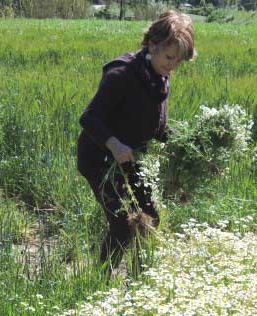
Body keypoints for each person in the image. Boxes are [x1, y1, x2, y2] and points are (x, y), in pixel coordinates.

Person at [77, 10, 196, 276]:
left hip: (133, 156)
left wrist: (186, 143)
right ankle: (99, 281)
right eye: (169, 57)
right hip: (99, 157)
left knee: (150, 216)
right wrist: (115, 144)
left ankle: (139, 278)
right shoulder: (121, 75)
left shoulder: (160, 78)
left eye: (178, 61)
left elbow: (155, 126)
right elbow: (89, 118)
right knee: (122, 224)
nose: (173, 66)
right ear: (153, 44)